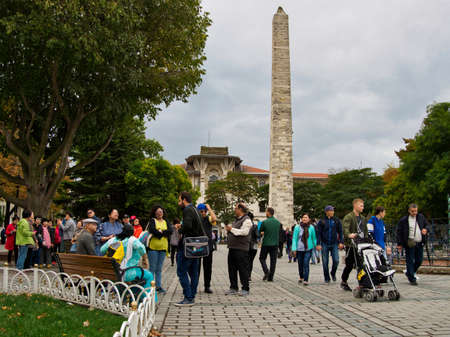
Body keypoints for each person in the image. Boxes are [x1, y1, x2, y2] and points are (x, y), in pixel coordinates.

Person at [100, 224, 155, 299]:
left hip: (113, 273)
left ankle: (128, 298)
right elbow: (141, 248)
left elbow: (102, 250)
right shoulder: (132, 240)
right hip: (128, 273)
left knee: (135, 279)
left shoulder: (113, 240)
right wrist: (145, 259)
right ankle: (148, 300)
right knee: (149, 275)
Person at [174, 191, 204, 307]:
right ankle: (191, 295)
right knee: (193, 272)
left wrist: (179, 230)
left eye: (179, 200)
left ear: (184, 200)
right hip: (197, 245)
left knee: (181, 271)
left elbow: (187, 226)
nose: (178, 203)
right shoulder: (196, 209)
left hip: (188, 245)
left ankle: (188, 297)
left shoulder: (187, 210)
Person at [396, 203, 429, 285]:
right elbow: (399, 232)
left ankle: (409, 272)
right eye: (412, 211)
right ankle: (412, 279)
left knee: (419, 260)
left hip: (420, 242)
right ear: (409, 211)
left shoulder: (421, 217)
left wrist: (425, 229)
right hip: (410, 242)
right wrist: (399, 244)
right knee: (410, 260)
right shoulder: (404, 220)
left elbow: (427, 225)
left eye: (416, 211)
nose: (414, 213)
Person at [225, 203, 252, 296]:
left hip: (241, 249)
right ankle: (233, 287)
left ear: (240, 209)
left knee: (242, 269)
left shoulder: (247, 220)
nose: (234, 210)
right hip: (232, 248)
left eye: (235, 208)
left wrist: (231, 229)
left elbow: (244, 232)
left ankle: (245, 288)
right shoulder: (236, 220)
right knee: (231, 269)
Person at [340, 198, 368, 291]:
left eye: (363, 206)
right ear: (355, 205)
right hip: (351, 245)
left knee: (361, 264)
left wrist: (367, 239)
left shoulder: (363, 218)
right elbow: (345, 228)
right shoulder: (349, 217)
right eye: (361, 205)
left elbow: (365, 231)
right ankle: (344, 280)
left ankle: (362, 283)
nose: (362, 207)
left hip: (361, 245)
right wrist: (349, 235)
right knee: (349, 265)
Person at [146, 205, 172, 294]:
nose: (159, 213)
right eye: (158, 212)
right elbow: (153, 230)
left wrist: (160, 232)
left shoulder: (166, 221)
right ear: (154, 213)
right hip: (153, 248)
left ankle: (158, 286)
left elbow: (170, 231)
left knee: (159, 268)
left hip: (163, 248)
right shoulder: (152, 221)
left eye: (161, 212)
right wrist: (162, 233)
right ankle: (149, 286)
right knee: (152, 268)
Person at [316, 205, 344, 283]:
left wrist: (341, 242)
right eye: (330, 211)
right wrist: (318, 244)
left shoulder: (336, 220)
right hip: (324, 243)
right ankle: (327, 277)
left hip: (334, 243)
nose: (332, 212)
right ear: (326, 212)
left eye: (332, 211)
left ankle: (333, 273)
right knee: (325, 262)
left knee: (336, 260)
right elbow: (318, 233)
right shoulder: (321, 221)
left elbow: (340, 232)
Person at [292, 214, 317, 286]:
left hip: (308, 248)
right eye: (303, 217)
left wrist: (316, 246)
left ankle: (306, 279)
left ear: (309, 219)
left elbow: (314, 238)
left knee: (306, 263)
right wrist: (294, 248)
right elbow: (294, 238)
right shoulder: (297, 227)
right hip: (299, 249)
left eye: (306, 217)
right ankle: (301, 276)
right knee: (300, 263)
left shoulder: (311, 227)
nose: (304, 219)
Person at [197, 203, 217, 294]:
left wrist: (209, 208)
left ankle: (207, 286)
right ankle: (194, 285)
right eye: (201, 211)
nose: (203, 213)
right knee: (196, 267)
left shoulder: (208, 218)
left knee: (208, 267)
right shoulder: (196, 219)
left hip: (208, 245)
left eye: (205, 211)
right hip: (197, 245)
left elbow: (214, 219)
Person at [259, 207, 280, 282]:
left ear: (268, 213)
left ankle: (266, 271)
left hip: (266, 243)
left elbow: (260, 231)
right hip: (275, 244)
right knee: (273, 261)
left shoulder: (264, 222)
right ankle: (271, 277)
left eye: (266, 212)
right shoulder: (278, 222)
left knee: (262, 258)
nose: (265, 213)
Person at [247, 212, 259, 281]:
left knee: (246, 261)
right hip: (253, 246)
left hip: (246, 245)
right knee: (250, 261)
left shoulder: (244, 225)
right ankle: (249, 276)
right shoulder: (255, 226)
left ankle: (246, 275)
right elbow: (257, 235)